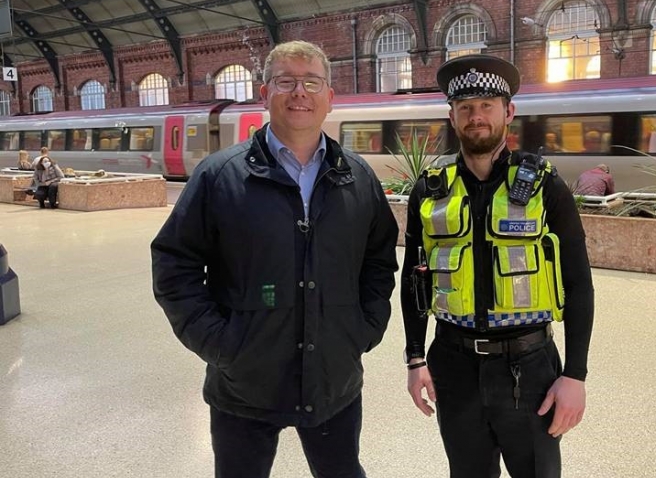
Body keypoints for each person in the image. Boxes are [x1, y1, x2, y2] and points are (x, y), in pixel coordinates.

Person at [151, 40, 399, 478]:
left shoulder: (357, 177)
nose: (299, 92)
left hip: (333, 379)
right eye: (286, 81)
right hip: (243, 384)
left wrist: (363, 329)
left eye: (311, 82)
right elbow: (175, 264)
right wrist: (221, 344)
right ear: (265, 93)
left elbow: (378, 260)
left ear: (329, 97)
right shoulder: (220, 176)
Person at [401, 55, 595, 478]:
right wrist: (415, 359)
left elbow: (579, 282)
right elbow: (413, 281)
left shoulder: (546, 185)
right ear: (452, 116)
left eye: (487, 105)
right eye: (466, 107)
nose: (476, 117)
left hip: (530, 368)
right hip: (453, 365)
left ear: (508, 112)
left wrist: (575, 376)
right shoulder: (429, 192)